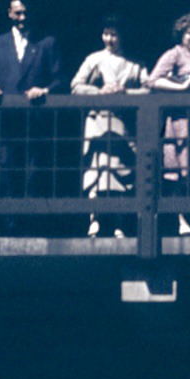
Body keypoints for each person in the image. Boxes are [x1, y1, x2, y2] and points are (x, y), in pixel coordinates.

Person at [0, 0, 63, 211]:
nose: (22, 18)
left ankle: (31, 224)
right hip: (7, 121)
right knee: (7, 169)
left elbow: (59, 78)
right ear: (9, 13)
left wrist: (44, 90)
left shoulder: (46, 42)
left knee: (35, 172)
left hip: (35, 120)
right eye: (18, 13)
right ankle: (9, 223)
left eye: (26, 12)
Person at [70, 16, 148, 238]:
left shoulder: (135, 64)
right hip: (99, 124)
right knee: (97, 173)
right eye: (106, 34)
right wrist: (99, 92)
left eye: (114, 34)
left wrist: (126, 93)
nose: (109, 39)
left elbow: (149, 88)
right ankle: (94, 221)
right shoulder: (94, 59)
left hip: (123, 125)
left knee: (121, 176)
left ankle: (119, 224)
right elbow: (76, 85)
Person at [147, 12, 190, 236]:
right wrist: (181, 88)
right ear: (182, 34)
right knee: (180, 171)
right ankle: (182, 222)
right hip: (180, 123)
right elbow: (153, 80)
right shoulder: (174, 54)